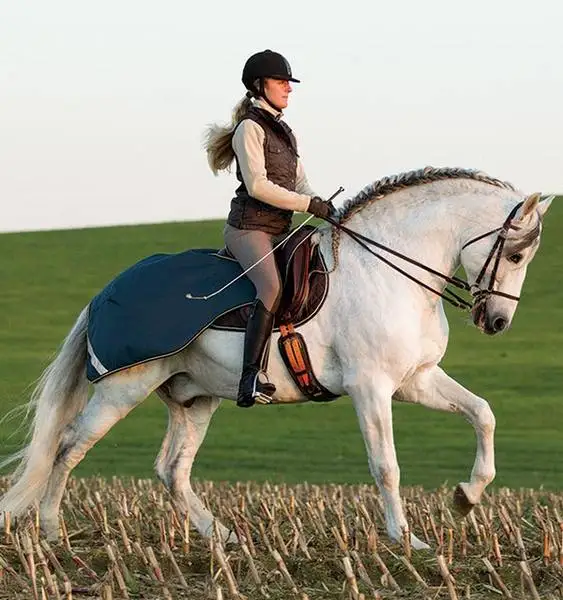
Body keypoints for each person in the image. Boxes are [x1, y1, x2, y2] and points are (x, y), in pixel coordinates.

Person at [203, 49, 335, 408]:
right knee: (271, 285)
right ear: (259, 86)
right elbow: (258, 185)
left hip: (279, 229)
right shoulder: (249, 128)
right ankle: (250, 378)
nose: (288, 89)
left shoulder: (285, 132)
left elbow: (301, 182)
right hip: (249, 229)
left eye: (288, 83)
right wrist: (308, 205)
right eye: (281, 82)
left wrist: (326, 206)